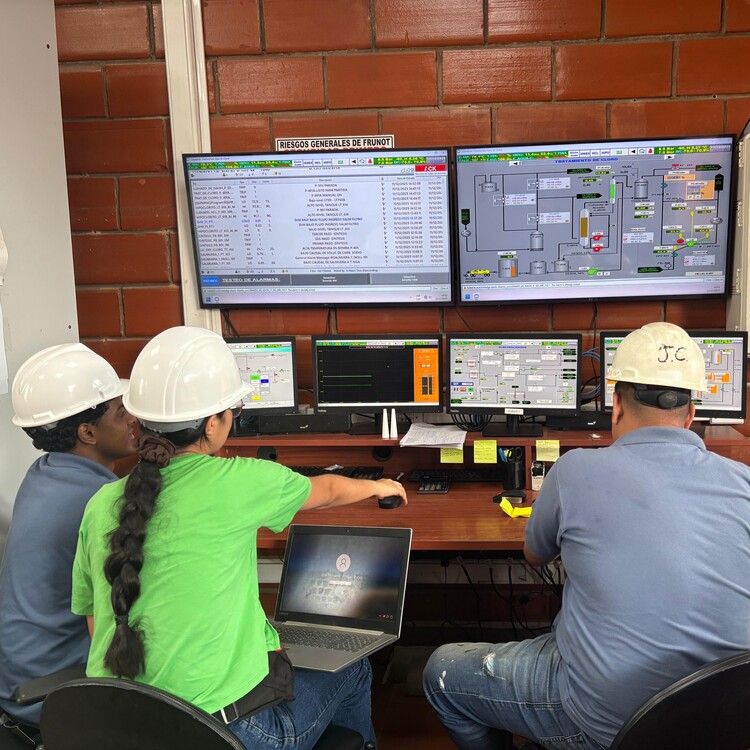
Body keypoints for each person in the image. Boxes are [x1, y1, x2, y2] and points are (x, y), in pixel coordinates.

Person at [71, 326, 408, 750]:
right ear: (213, 424)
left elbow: (95, 619)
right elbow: (326, 490)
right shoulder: (242, 481)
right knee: (353, 669)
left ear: (140, 420)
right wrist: (378, 486)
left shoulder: (101, 502)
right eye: (234, 408)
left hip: (117, 729)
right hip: (221, 734)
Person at [423, 321, 750, 750]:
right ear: (691, 415)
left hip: (603, 722)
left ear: (616, 405)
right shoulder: (744, 482)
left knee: (441, 672)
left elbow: (535, 555)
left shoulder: (575, 469)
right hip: (723, 722)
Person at [0, 343, 137, 737]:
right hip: (55, 693)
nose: (133, 417)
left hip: (22, 678)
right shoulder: (97, 503)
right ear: (87, 432)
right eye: (120, 411)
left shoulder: (42, 473)